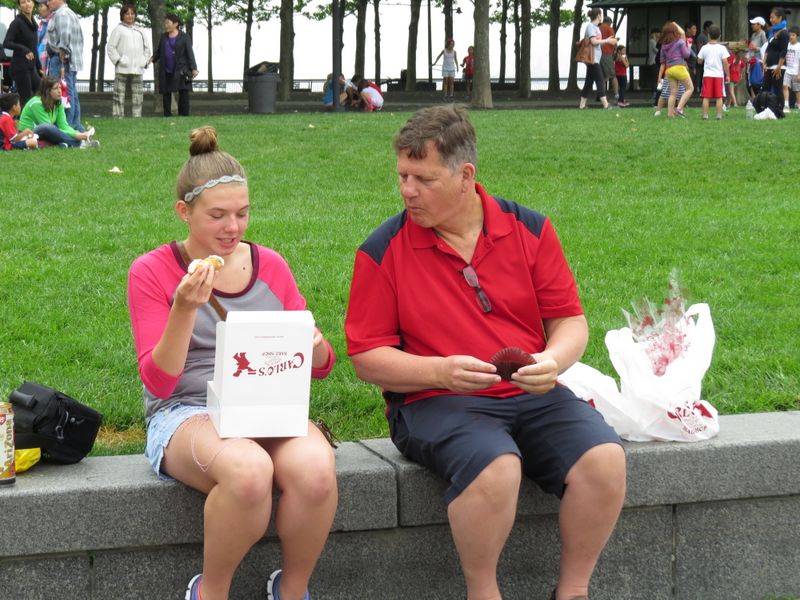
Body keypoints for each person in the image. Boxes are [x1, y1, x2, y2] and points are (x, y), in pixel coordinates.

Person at [345, 105, 626, 600]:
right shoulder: (382, 249)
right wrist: (440, 371)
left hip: (531, 392)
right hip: (431, 401)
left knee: (604, 459)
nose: (407, 190)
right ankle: (483, 593)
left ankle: (574, 591)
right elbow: (367, 356)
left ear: (466, 175)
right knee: (497, 468)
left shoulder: (530, 229)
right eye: (402, 176)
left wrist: (553, 363)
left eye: (422, 178)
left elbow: (570, 322)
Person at [127, 125, 338, 600]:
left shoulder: (271, 265)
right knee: (248, 472)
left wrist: (313, 344)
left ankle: (293, 590)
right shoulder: (152, 270)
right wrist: (183, 308)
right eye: (217, 216)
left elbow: (321, 367)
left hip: (263, 403)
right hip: (185, 410)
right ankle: (211, 591)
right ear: (184, 213)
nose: (232, 228)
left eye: (242, 214)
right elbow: (160, 382)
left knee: (316, 469)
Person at [18, 75, 95, 147]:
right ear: (48, 91)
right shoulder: (36, 103)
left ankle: (68, 143)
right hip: (29, 133)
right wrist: (75, 136)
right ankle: (78, 143)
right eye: (56, 88)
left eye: (60, 88)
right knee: (47, 127)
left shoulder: (58, 103)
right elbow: (47, 127)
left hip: (46, 132)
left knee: (78, 129)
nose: (60, 91)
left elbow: (63, 126)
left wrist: (77, 134)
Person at [106, 3, 151, 118]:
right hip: (122, 68)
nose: (130, 16)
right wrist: (119, 60)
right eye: (127, 14)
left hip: (138, 68)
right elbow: (111, 47)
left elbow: (147, 48)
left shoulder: (140, 30)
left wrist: (144, 61)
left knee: (138, 95)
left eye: (132, 13)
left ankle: (137, 116)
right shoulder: (118, 29)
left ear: (135, 15)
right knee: (118, 94)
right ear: (122, 15)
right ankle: (117, 116)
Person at [45, 0, 83, 131]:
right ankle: (75, 126)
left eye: (49, 0)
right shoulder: (68, 13)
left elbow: (65, 34)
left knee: (61, 93)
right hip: (68, 60)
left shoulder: (62, 14)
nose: (47, 3)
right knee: (71, 93)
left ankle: (66, 126)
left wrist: (62, 50)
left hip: (61, 59)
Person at [151, 13, 197, 117]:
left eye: (168, 23)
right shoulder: (163, 37)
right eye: (165, 23)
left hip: (181, 69)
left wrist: (193, 68)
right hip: (166, 69)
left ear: (175, 24)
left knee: (183, 92)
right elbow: (159, 51)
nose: (166, 25)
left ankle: (184, 115)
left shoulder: (184, 37)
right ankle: (167, 115)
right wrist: (152, 59)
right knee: (166, 93)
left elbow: (190, 53)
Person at [3, 0, 42, 107]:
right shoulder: (17, 23)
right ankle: (24, 122)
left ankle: (36, 121)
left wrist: (39, 67)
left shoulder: (34, 25)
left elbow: (34, 48)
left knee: (43, 92)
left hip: (31, 67)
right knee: (26, 99)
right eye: (23, 2)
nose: (27, 4)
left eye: (29, 1)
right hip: (20, 67)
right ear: (19, 6)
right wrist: (24, 49)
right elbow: (7, 43)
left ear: (33, 3)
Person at [579, 8, 617, 109]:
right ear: (598, 15)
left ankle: (582, 105)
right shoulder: (591, 26)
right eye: (601, 14)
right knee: (600, 80)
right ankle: (606, 104)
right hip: (592, 59)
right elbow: (593, 41)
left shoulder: (595, 27)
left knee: (588, 82)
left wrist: (608, 41)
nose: (601, 17)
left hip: (595, 59)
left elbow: (596, 41)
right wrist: (607, 41)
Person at [659, 21, 694, 117]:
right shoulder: (679, 42)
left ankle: (670, 114)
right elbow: (687, 55)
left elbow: (662, 60)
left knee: (673, 93)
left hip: (669, 70)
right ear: (675, 31)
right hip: (679, 68)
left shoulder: (663, 45)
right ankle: (679, 108)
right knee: (690, 88)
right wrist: (689, 47)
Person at [696, 25, 731, 120]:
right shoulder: (722, 48)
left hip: (707, 75)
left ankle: (705, 115)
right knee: (719, 97)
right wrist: (728, 75)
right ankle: (719, 115)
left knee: (706, 97)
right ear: (719, 36)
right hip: (719, 75)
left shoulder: (704, 48)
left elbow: (699, 61)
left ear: (708, 35)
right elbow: (726, 63)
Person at [763, 7, 789, 109]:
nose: (770, 20)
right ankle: (764, 107)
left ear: (779, 18)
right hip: (769, 66)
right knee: (765, 88)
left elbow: (784, 51)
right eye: (770, 17)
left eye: (772, 17)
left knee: (778, 89)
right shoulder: (772, 32)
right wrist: (764, 63)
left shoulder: (784, 33)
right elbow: (768, 49)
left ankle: (779, 110)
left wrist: (779, 67)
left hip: (778, 66)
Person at [599, 16, 618, 99]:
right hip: (607, 53)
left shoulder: (598, 28)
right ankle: (617, 94)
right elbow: (614, 41)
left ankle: (602, 95)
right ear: (609, 22)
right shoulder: (609, 28)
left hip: (598, 54)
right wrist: (616, 51)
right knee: (613, 75)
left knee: (602, 77)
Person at [782, 26, 799, 113]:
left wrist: (799, 74)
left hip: (796, 71)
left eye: (793, 35)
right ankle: (786, 105)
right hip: (788, 70)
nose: (791, 37)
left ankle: (799, 105)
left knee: (797, 90)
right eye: (790, 35)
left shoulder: (799, 46)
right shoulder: (787, 45)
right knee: (785, 86)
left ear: (797, 36)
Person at [35, 0, 49, 71]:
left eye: (41, 6)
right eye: (39, 6)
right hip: (40, 60)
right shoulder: (42, 23)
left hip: (44, 62)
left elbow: (43, 45)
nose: (39, 9)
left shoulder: (50, 22)